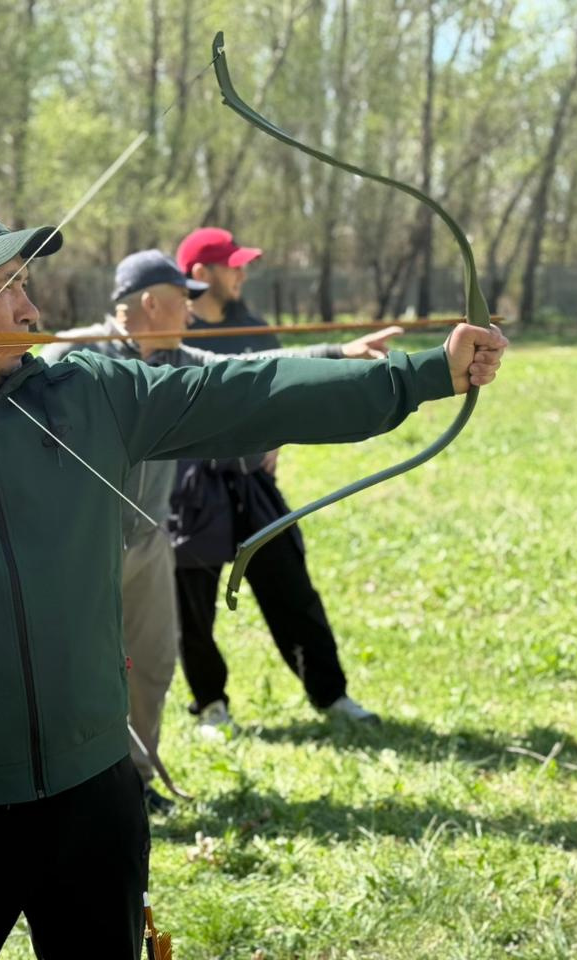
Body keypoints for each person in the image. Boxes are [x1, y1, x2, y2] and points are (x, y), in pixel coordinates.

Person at [0, 205, 507, 959]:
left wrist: (419, 376)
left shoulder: (89, 393)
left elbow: (245, 391)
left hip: (95, 793)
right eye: (7, 286)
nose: (31, 307)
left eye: (27, 284)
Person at [41, 250, 403, 807]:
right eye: (182, 301)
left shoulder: (178, 359)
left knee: (152, 668)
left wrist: (338, 354)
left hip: (148, 543)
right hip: (77, 551)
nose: (190, 312)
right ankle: (64, 790)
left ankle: (133, 784)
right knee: (74, 673)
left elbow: (254, 372)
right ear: (151, 303)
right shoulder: (73, 353)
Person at [170, 226, 388, 734]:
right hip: (191, 488)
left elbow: (279, 386)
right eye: (233, 266)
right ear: (201, 273)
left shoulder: (253, 327)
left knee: (292, 589)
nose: (242, 274)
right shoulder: (174, 331)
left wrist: (276, 437)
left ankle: (331, 695)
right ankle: (210, 704)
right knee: (191, 606)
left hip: (251, 480)